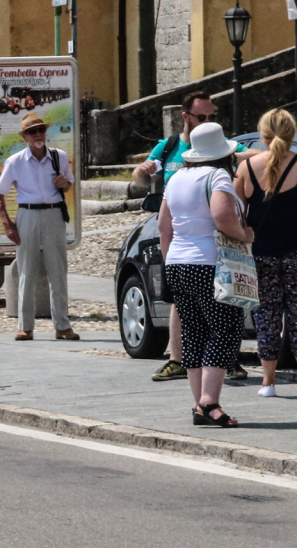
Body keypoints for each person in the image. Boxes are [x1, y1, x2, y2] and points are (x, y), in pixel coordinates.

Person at [134, 91, 251, 382]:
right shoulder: (169, 148)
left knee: (197, 327)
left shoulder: (197, 164)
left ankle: (201, 397)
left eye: (211, 117)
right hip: (203, 253)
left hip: (181, 256)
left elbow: (165, 223)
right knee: (219, 324)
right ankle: (204, 392)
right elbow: (139, 180)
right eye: (202, 117)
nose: (207, 121)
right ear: (185, 117)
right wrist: (243, 234)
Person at [158, 122, 254, 428]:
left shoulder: (175, 179)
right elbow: (222, 216)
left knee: (194, 332)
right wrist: (244, 234)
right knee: (225, 329)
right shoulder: (218, 176)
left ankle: (199, 403)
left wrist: (170, 260)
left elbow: (164, 225)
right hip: (210, 263)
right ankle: (210, 404)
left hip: (178, 263)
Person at [0, 112, 78, 341]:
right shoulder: (15, 161)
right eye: (32, 132)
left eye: (40, 130)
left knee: (58, 271)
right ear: (25, 137)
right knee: (26, 271)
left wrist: (65, 183)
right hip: (27, 214)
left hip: (53, 214)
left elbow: (69, 183)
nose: (38, 134)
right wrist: (7, 223)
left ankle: (62, 325)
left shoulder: (58, 156)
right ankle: (25, 326)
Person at [235, 108, 297, 398]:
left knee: (267, 317)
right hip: (295, 253)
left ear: (263, 134)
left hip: (261, 254)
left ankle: (268, 382)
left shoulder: (247, 169)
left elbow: (236, 211)